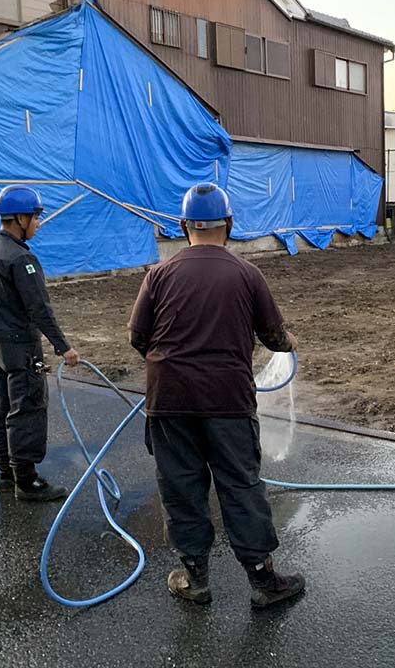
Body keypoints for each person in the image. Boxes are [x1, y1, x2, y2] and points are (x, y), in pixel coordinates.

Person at [128, 182, 305, 609]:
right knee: (240, 485)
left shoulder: (159, 274)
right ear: (229, 224)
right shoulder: (247, 274)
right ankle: (263, 582)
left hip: (169, 399)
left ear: (184, 225)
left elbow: (138, 337)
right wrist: (289, 342)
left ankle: (195, 579)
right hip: (228, 400)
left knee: (182, 487)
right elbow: (275, 337)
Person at [0, 185, 79, 501]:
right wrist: (64, 347)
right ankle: (28, 481)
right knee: (26, 409)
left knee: (2, 407)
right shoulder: (21, 259)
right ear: (19, 218)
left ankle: (6, 473)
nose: (38, 223)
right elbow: (39, 309)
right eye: (35, 217)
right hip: (22, 346)